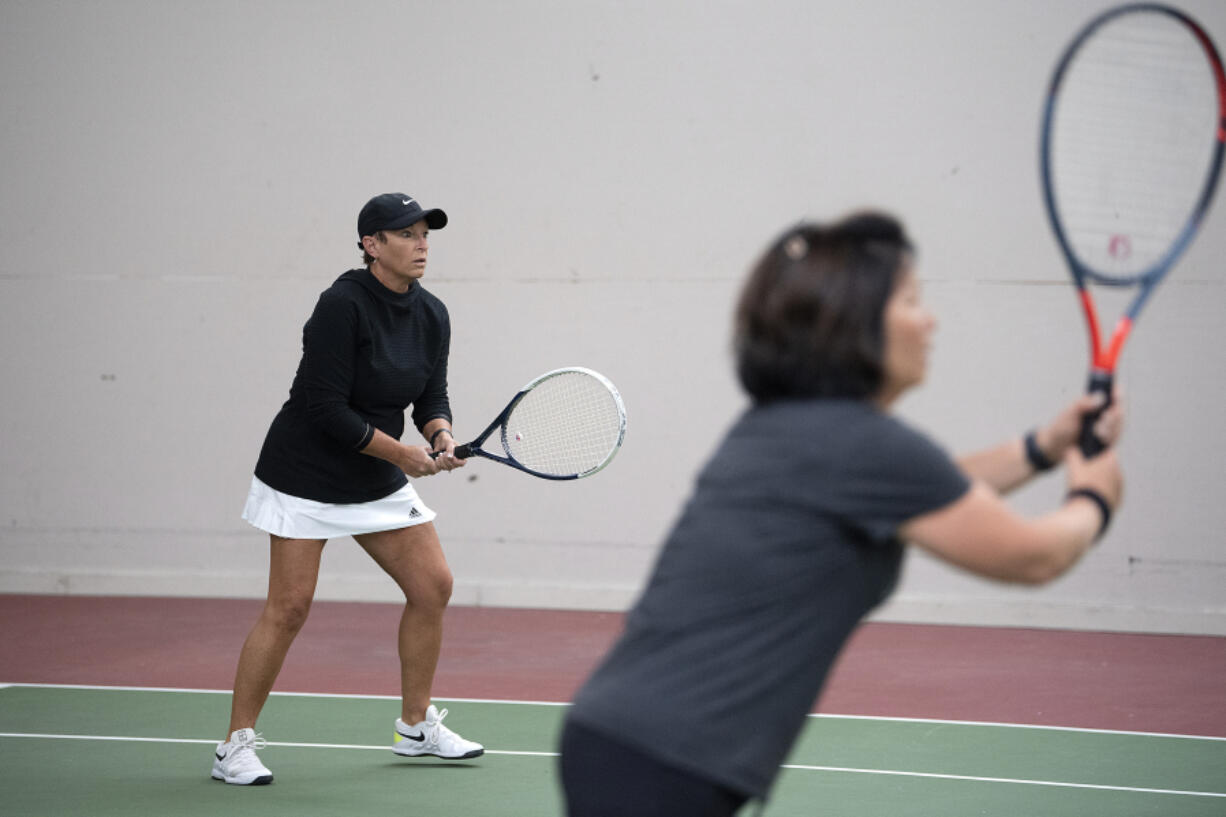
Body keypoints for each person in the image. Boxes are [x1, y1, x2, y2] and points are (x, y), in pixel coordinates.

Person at [558, 212, 1124, 816]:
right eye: (911, 300)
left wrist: (1042, 447)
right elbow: (1032, 557)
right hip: (661, 768)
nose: (930, 320)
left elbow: (930, 494)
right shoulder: (863, 447)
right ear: (854, 322)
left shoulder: (791, 428)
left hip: (628, 744)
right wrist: (1095, 496)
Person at [212, 193, 483, 786]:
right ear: (371, 244)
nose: (421, 245)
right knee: (289, 609)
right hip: (305, 474)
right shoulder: (341, 306)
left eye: (425, 234)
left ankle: (415, 728)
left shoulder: (432, 312)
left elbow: (429, 393)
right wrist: (404, 455)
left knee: (432, 585)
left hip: (374, 472)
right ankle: (235, 745)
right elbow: (325, 407)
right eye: (406, 234)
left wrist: (438, 433)